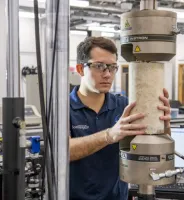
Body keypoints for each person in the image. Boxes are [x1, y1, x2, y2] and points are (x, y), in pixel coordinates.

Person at [69, 37, 171, 200]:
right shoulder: (63, 110)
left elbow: (151, 147)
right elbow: (63, 152)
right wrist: (109, 135)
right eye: (99, 66)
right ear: (80, 69)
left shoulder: (125, 105)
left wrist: (162, 127)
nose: (108, 74)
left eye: (112, 67)